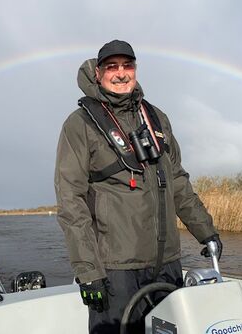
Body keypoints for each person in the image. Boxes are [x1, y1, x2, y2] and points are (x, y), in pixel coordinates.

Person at [54, 40, 222, 333]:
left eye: (127, 65)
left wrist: (206, 231)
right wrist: (88, 270)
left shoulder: (157, 118)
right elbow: (71, 200)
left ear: (135, 69)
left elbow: (178, 181)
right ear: (98, 73)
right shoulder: (79, 124)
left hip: (167, 264)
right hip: (116, 270)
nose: (121, 73)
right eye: (112, 67)